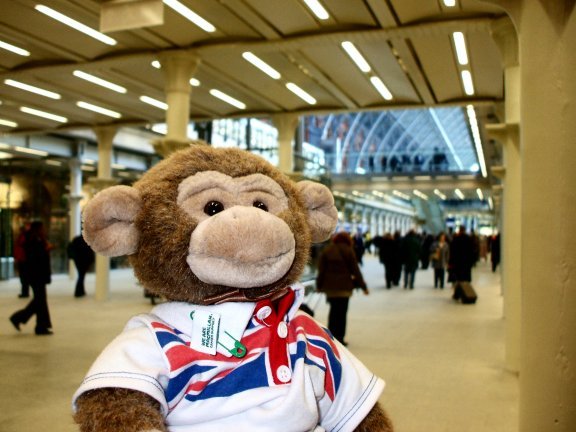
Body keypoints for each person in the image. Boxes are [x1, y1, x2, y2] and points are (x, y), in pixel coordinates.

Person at [316, 232, 368, 345]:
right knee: (342, 313)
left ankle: (331, 337)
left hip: (330, 289)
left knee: (333, 312)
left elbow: (321, 271)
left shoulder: (327, 250)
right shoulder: (349, 251)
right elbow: (356, 271)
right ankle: (340, 338)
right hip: (344, 289)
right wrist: (363, 286)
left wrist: (319, 286)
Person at [9, 221, 53, 335]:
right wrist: (46, 249)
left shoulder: (35, 239)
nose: (44, 230)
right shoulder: (33, 240)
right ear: (38, 229)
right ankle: (39, 326)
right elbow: (35, 258)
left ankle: (22, 319)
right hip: (36, 275)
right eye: (42, 228)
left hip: (36, 275)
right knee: (40, 300)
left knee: (39, 300)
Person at [14, 223, 30, 298]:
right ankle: (25, 291)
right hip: (22, 258)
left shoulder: (25, 236)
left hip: (23, 259)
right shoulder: (23, 236)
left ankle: (25, 292)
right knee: (24, 276)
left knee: (24, 277)